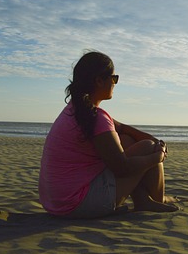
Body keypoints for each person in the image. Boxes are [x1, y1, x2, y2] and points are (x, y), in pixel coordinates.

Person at [39, 51, 179, 218]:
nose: (115, 83)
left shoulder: (78, 110)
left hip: (57, 203)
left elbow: (122, 128)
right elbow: (122, 168)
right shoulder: (96, 117)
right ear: (99, 80)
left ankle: (144, 200)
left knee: (128, 140)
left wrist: (154, 139)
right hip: (78, 204)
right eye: (114, 78)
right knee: (148, 148)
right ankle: (156, 200)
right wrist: (156, 157)